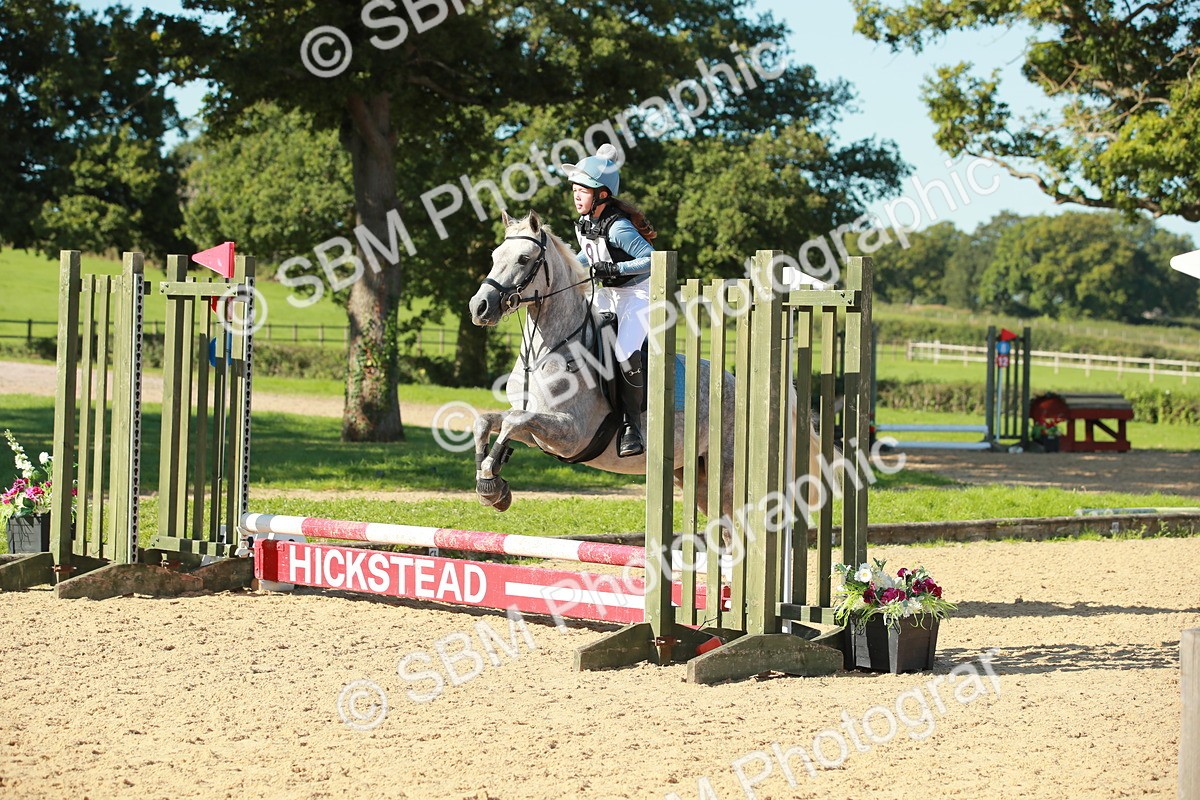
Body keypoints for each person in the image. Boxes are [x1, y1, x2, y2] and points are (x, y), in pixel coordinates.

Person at [563, 143, 657, 458]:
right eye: (574, 189)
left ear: (602, 194)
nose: (576, 195)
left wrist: (615, 268)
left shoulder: (619, 227)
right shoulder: (583, 224)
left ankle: (632, 425)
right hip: (607, 292)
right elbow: (586, 255)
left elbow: (652, 259)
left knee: (625, 350)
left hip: (636, 293)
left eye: (583, 190)